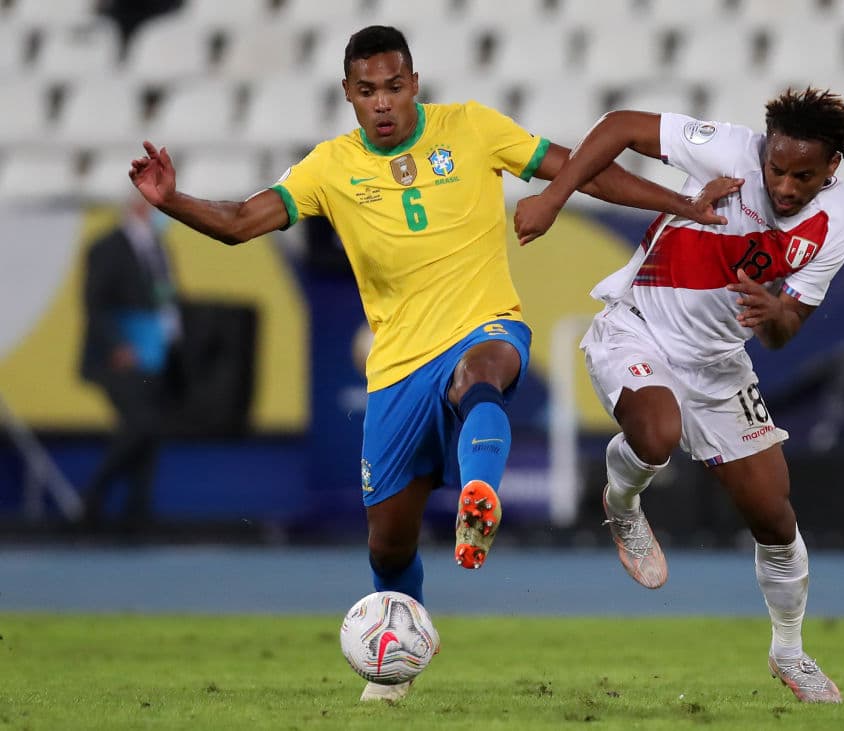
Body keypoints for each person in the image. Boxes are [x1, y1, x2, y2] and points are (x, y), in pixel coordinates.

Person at [126, 24, 739, 702]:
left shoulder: (473, 127)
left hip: (485, 325)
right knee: (387, 545)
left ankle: (480, 496)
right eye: (368, 91)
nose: (383, 102)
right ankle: (400, 654)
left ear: (414, 84)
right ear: (348, 95)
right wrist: (173, 201)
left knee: (484, 371)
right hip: (395, 367)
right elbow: (243, 221)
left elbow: (580, 166)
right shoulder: (328, 166)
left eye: (394, 87)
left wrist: (683, 203)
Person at [515, 88, 844, 704]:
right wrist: (554, 197)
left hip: (719, 365)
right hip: (639, 325)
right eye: (777, 169)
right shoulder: (729, 150)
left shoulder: (837, 226)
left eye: (803, 176)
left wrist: (773, 314)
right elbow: (622, 124)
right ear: (764, 153)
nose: (785, 186)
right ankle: (621, 502)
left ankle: (789, 650)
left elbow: (789, 331)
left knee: (775, 518)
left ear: (833, 167)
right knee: (655, 434)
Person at [79, 190, 183, 532]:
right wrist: (118, 345)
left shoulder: (159, 247)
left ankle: (137, 513)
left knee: (149, 432)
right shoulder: (106, 247)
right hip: (122, 357)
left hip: (156, 354)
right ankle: (93, 499)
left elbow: (164, 299)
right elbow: (95, 304)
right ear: (139, 205)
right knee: (141, 425)